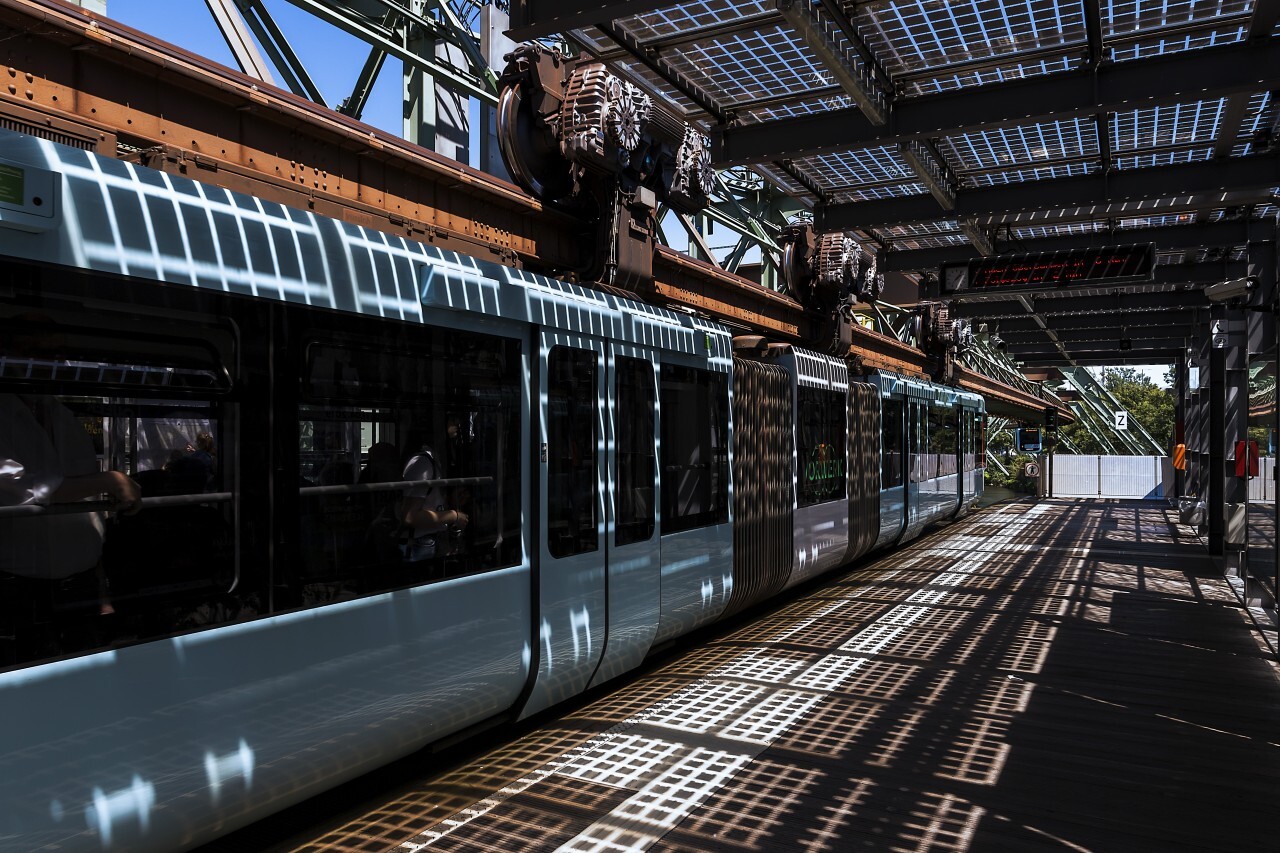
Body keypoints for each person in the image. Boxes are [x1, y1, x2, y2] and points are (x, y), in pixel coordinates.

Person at [0, 393, 141, 580]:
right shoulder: (5, 416)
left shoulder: (61, 414)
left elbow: (91, 513)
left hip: (86, 573)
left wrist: (100, 587)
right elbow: (25, 490)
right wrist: (110, 481)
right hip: (19, 580)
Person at [398, 443, 467, 565]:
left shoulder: (435, 460)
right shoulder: (422, 463)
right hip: (419, 543)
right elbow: (410, 516)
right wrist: (454, 516)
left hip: (433, 538)